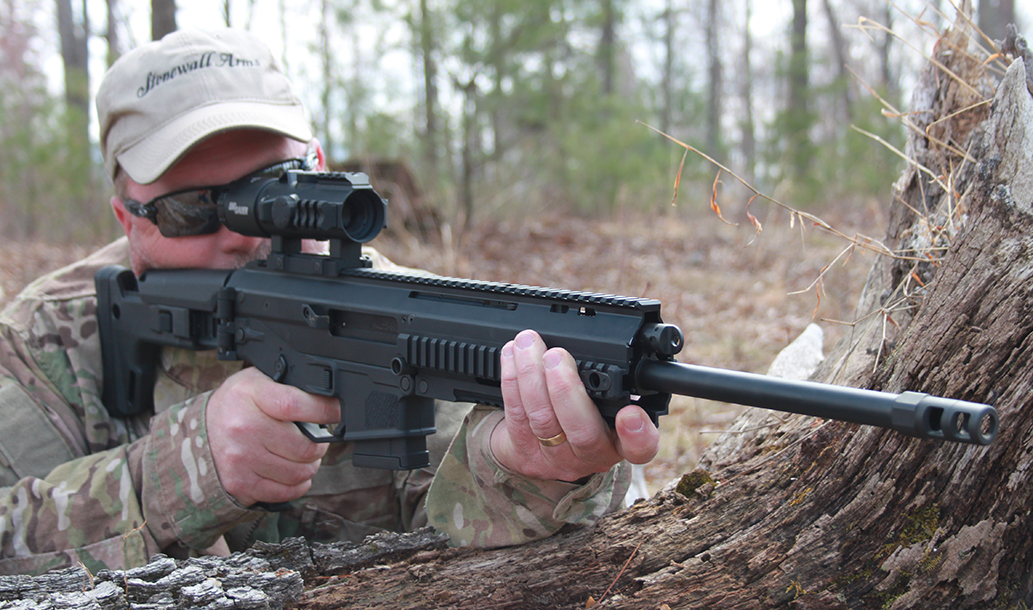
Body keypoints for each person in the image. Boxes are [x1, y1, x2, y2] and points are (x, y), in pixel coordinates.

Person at [0, 29, 659, 575]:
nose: (240, 230)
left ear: (318, 164)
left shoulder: (404, 315)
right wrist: (181, 470)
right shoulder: (44, 342)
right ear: (128, 218)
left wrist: (534, 475)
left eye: (275, 185)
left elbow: (563, 549)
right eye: (191, 209)